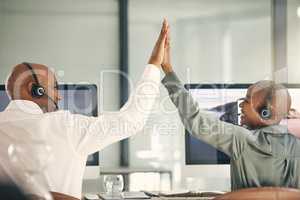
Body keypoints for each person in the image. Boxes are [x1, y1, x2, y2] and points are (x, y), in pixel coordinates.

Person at [0, 20, 170, 198]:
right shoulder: (64, 126)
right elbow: (132, 121)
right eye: (55, 87)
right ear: (34, 89)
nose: (59, 96)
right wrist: (154, 64)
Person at [160, 28, 300, 190]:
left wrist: (168, 69)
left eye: (247, 100)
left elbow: (195, 119)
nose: (240, 104)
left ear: (265, 112)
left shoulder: (241, 139)